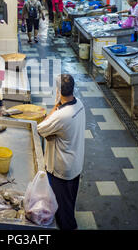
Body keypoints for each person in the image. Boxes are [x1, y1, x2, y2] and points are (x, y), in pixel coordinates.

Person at [37, 74, 85, 230]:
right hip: (76, 165)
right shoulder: (80, 105)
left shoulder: (61, 115)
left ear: (58, 91)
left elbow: (41, 128)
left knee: (63, 213)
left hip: (61, 169)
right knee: (69, 202)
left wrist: (54, 107)